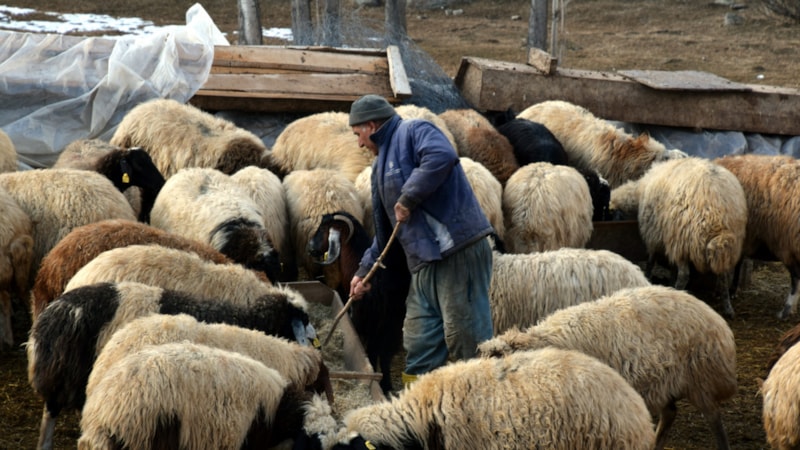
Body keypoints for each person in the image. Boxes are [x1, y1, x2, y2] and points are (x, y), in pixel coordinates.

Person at [347, 94, 494, 386]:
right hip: (424, 264)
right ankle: (419, 415)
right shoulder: (379, 167)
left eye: (358, 134)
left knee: (466, 338)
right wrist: (364, 273)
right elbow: (386, 232)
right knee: (419, 341)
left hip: (456, 252)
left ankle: (480, 403)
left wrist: (409, 196)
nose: (359, 144)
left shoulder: (414, 131)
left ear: (372, 125)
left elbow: (441, 155)